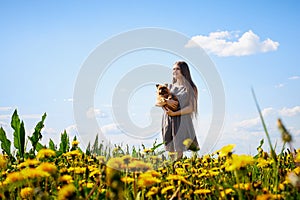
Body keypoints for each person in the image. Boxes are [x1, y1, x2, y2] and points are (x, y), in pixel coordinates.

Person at [161, 61, 199, 160]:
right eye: (173, 69)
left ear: (184, 71)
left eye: (177, 69)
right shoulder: (168, 87)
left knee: (179, 150)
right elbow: (158, 101)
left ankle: (178, 171)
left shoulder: (191, 88)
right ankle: (172, 172)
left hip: (182, 120)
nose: (175, 71)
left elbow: (191, 108)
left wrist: (175, 113)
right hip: (168, 120)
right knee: (170, 150)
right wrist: (165, 101)